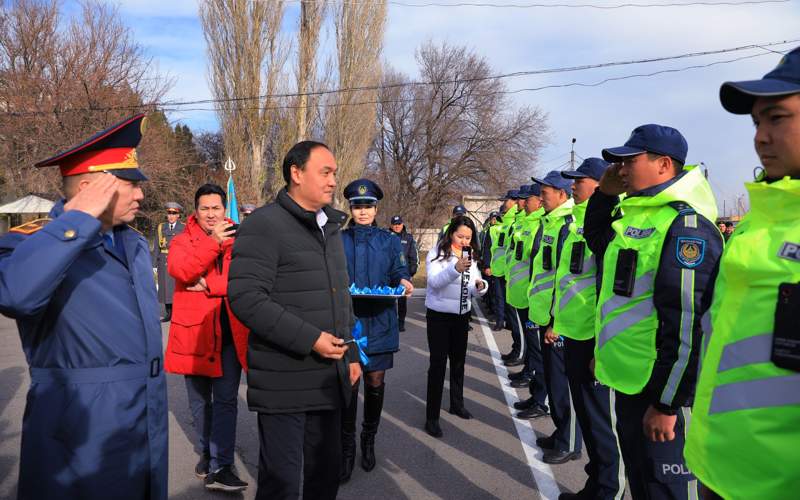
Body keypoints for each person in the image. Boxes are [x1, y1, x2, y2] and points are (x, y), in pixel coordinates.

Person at [0, 114, 168, 500]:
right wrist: (75, 222)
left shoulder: (134, 243)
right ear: (91, 188)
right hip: (81, 430)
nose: (141, 195)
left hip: (144, 419)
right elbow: (15, 295)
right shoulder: (32, 241)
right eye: (130, 185)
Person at [685, 46, 800, 500]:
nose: (760, 137)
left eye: (777, 118)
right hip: (719, 466)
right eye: (756, 122)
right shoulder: (762, 218)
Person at [585, 124, 723, 500]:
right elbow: (598, 242)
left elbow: (687, 321)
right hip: (631, 379)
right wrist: (603, 195)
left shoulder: (684, 225)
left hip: (659, 390)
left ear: (663, 165)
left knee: (666, 489)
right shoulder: (638, 215)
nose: (621, 168)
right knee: (642, 483)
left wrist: (667, 403)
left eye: (629, 160)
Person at [228, 140, 361, 500]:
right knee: (281, 484)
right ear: (296, 173)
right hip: (284, 380)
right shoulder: (264, 225)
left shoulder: (329, 227)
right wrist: (311, 339)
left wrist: (349, 354)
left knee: (325, 476)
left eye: (334, 173)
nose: (334, 181)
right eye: (325, 172)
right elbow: (246, 298)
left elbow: (339, 298)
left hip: (327, 379)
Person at [165, 183, 250, 492]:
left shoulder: (241, 239)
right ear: (195, 210)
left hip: (229, 332)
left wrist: (213, 286)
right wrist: (213, 243)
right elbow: (182, 270)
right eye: (205, 208)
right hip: (195, 334)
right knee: (200, 403)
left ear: (224, 209)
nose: (211, 214)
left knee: (226, 400)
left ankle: (222, 465)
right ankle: (206, 451)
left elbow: (246, 280)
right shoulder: (181, 240)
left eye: (216, 208)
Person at [552, 158, 625, 499]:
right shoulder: (576, 223)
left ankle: (609, 490)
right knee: (588, 420)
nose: (573, 185)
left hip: (595, 336)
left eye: (579, 180)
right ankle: (595, 485)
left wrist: (601, 343)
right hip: (575, 332)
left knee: (602, 424)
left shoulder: (612, 222)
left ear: (599, 184)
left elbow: (605, 286)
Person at [340, 180, 413, 483]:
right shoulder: (337, 239)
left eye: (368, 206)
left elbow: (398, 271)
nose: (363, 211)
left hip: (381, 320)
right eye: (357, 206)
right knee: (348, 384)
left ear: (376, 208)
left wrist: (406, 281)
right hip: (350, 321)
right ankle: (346, 447)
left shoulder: (390, 241)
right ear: (351, 208)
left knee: (375, 382)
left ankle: (368, 438)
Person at [522, 171, 583, 464]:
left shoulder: (567, 225)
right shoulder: (552, 222)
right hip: (547, 314)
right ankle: (561, 434)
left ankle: (569, 442)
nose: (541, 196)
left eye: (545, 192)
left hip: (558, 320)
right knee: (553, 379)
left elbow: (564, 277)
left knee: (562, 385)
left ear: (561, 194)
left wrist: (556, 323)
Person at [424, 216, 488, 437]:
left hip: (462, 316)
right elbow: (434, 283)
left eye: (468, 237)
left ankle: (457, 404)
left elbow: (474, 283)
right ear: (451, 233)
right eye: (460, 236)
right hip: (439, 317)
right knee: (438, 365)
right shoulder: (437, 253)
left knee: (459, 363)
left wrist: (481, 286)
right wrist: (455, 268)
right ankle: (431, 417)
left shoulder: (470, 254)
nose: (464, 241)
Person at [503, 184, 545, 393]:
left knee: (535, 343)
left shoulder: (541, 224)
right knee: (529, 339)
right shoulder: (525, 223)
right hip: (520, 291)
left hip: (531, 294)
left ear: (538, 201)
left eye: (527, 198)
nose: (522, 202)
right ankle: (529, 370)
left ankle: (533, 375)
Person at [488, 191, 518, 332]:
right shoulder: (505, 224)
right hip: (499, 269)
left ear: (514, 202)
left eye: (506, 201)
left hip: (509, 271)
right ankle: (501, 321)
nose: (503, 204)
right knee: (500, 298)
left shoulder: (515, 223)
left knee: (509, 301)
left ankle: (509, 323)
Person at [152, 201, 185, 321]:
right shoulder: (161, 227)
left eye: (173, 213)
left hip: (177, 261)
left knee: (176, 287)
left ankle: (178, 312)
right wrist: (153, 264)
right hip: (164, 261)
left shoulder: (184, 228)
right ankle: (168, 313)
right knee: (165, 288)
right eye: (169, 213)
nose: (170, 216)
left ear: (178, 215)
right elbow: (156, 247)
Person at [389, 214, 419, 332]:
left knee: (402, 300)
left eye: (399, 224)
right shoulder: (386, 236)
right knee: (389, 299)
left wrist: (412, 271)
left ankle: (401, 322)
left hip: (404, 274)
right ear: (391, 225)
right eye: (395, 224)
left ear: (402, 224)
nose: (397, 226)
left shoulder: (409, 238)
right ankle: (391, 322)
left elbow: (413, 257)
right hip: (389, 273)